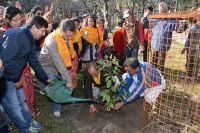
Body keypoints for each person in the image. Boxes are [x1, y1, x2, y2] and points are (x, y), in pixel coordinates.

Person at [0, 16, 51, 133]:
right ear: (33, 27)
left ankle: (29, 122)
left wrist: (45, 78)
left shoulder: (30, 39)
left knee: (22, 102)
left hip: (14, 76)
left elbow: (33, 60)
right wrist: (13, 79)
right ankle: (25, 129)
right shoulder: (16, 36)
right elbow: (5, 61)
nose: (43, 34)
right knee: (14, 107)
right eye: (42, 31)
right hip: (4, 78)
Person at [38, 19, 75, 117]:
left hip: (57, 65)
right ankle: (56, 110)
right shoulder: (51, 40)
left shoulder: (65, 38)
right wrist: (68, 80)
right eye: (68, 35)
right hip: (47, 66)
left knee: (63, 83)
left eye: (72, 35)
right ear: (62, 31)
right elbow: (58, 62)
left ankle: (64, 99)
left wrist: (67, 79)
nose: (70, 37)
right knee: (56, 86)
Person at [151, 2, 176, 73]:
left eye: (163, 7)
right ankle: (152, 75)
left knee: (161, 63)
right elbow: (146, 24)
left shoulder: (171, 20)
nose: (161, 8)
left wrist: (183, 23)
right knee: (153, 61)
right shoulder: (155, 19)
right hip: (155, 44)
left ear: (166, 9)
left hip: (163, 45)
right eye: (160, 7)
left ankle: (160, 77)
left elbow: (179, 28)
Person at [181, 18, 200, 83]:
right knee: (189, 62)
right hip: (190, 48)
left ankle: (193, 78)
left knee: (195, 64)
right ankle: (188, 76)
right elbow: (188, 38)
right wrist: (185, 47)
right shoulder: (193, 27)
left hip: (197, 50)